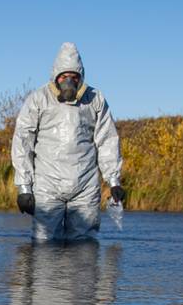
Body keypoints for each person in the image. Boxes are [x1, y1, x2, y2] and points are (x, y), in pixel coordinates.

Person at [11, 42, 123, 241]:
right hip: (47, 185)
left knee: (84, 246)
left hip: (85, 186)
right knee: (44, 245)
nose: (68, 81)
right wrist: (24, 188)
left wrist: (113, 180)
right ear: (55, 76)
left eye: (74, 76)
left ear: (81, 77)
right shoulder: (39, 99)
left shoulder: (95, 99)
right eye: (64, 76)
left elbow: (107, 140)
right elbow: (23, 141)